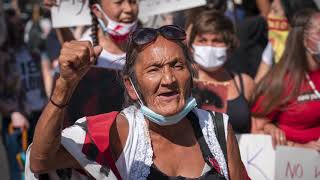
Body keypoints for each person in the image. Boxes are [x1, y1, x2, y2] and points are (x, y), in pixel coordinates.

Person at [27, 25, 249, 180]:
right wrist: (65, 85)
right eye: (154, 69)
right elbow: (41, 161)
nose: (169, 79)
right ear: (131, 86)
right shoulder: (114, 132)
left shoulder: (217, 129)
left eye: (177, 66)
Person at [43, 0, 139, 127]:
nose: (128, 9)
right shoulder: (85, 51)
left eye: (133, 1)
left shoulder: (149, 45)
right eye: (119, 2)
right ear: (97, 10)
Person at [251, 9, 320, 150]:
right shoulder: (280, 81)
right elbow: (256, 129)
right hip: (296, 165)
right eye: (319, 33)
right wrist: (299, 147)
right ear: (303, 39)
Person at [188, 10, 255, 133]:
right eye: (202, 41)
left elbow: (257, 125)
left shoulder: (244, 83)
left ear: (229, 46)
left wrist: (269, 127)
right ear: (192, 46)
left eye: (217, 41)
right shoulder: (182, 80)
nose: (209, 47)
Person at [254, 0, 318, 83]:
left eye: (275, 11)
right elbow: (259, 81)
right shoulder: (275, 44)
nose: (270, 15)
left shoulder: (315, 44)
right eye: (271, 10)